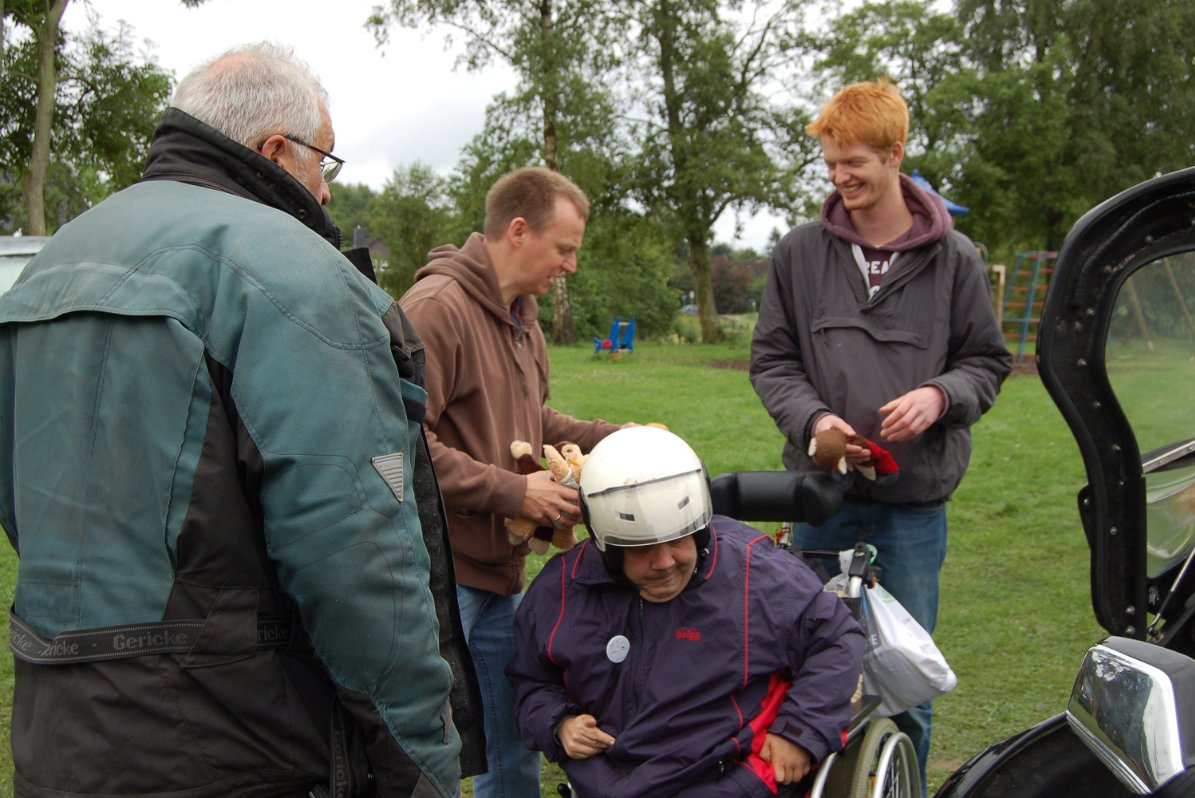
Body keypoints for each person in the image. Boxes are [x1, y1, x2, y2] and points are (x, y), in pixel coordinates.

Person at [0, 43, 476, 797]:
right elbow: (356, 556)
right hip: (239, 742)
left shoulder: (53, 262)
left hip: (59, 732)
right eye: (327, 161)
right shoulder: (293, 274)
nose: (325, 189)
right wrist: (422, 759)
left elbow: (22, 497)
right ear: (276, 150)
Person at [749, 79, 1012, 794]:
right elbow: (772, 362)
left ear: (896, 154)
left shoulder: (955, 259)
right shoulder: (800, 254)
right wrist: (818, 424)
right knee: (805, 676)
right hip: (822, 504)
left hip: (912, 513)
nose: (840, 178)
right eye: (831, 164)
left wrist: (938, 395)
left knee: (903, 683)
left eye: (854, 162)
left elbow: (988, 363)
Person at [400, 166, 626, 797]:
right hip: (443, 584)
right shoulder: (436, 310)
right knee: (444, 754)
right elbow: (401, 444)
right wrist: (515, 491)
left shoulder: (523, 317)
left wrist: (616, 436)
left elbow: (534, 420)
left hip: (502, 575)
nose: (571, 265)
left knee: (516, 744)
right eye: (565, 248)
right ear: (519, 231)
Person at [507, 426, 865, 798]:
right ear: (606, 545)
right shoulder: (563, 589)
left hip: (726, 778)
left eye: (679, 538)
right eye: (641, 548)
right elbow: (531, 679)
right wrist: (558, 722)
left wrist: (799, 731)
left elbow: (836, 639)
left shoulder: (756, 577)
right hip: (606, 781)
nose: (664, 562)